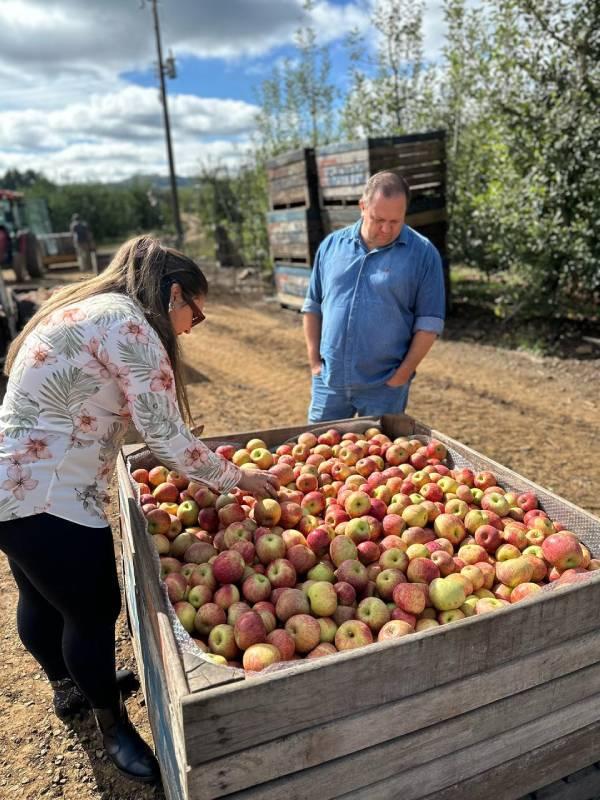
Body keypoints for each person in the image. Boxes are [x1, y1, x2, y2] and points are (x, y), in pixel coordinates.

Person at [0, 235, 279, 784]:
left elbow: (97, 401)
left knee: (38, 592)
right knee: (92, 611)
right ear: (175, 295)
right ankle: (113, 728)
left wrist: (172, 435)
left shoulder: (86, 307)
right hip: (49, 495)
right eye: (195, 315)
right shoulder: (131, 325)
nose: (192, 328)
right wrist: (242, 478)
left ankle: (68, 688)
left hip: (10, 485)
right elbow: (169, 444)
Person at [302, 170, 446, 422]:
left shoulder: (422, 254)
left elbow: (429, 323)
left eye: (395, 221)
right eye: (378, 219)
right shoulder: (331, 246)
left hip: (385, 387)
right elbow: (313, 305)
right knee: (317, 454)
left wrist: (401, 376)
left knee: (380, 458)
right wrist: (315, 362)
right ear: (362, 206)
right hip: (330, 382)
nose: (386, 229)